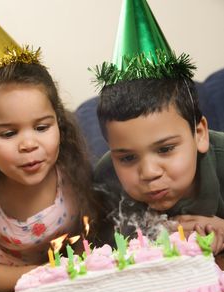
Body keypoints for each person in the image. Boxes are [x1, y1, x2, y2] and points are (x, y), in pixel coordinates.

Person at [92, 0, 224, 254]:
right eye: (127, 157)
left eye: (165, 149)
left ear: (199, 133)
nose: (149, 173)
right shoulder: (106, 178)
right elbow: (101, 249)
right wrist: (155, 231)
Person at [0, 46, 100, 292]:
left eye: (41, 128)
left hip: (81, 282)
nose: (29, 145)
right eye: (9, 133)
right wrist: (48, 273)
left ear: (59, 123)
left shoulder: (72, 169)